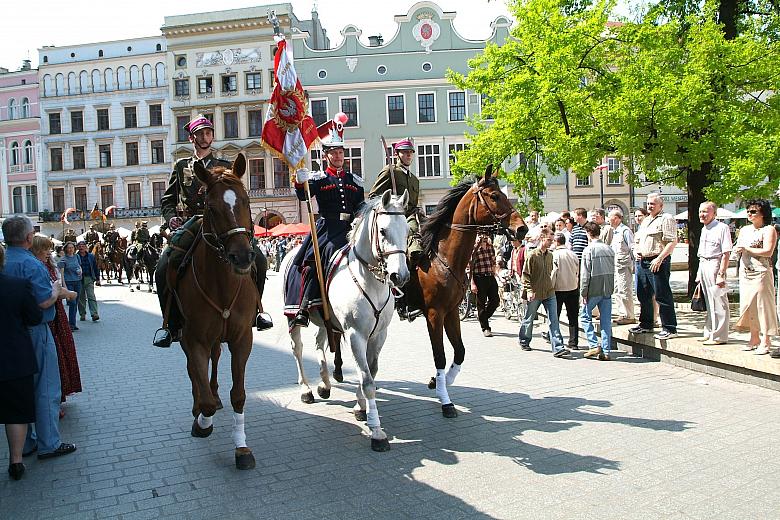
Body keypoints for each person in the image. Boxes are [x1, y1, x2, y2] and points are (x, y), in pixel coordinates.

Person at [153, 115, 272, 348]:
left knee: (258, 258)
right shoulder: (181, 167)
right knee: (164, 264)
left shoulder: (225, 166)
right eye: (200, 134)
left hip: (221, 223)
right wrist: (171, 219)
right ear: (192, 138)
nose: (205, 137)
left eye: (208, 133)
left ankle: (256, 312)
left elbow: (234, 199)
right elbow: (167, 200)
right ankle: (170, 323)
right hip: (192, 223)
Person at [2, 215, 77, 461]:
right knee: (45, 386)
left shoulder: (3, 261)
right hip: (35, 331)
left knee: (20, 389)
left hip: (9, 333)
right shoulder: (32, 264)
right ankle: (49, 443)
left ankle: (26, 443)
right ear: (29, 237)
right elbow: (44, 300)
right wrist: (57, 290)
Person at [284, 121, 365, 327]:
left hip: (351, 229)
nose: (338, 156)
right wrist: (299, 181)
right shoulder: (318, 179)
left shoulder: (354, 180)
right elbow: (303, 196)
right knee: (313, 260)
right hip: (327, 229)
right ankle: (304, 306)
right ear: (325, 156)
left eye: (340, 153)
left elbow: (360, 206)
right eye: (333, 153)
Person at [0, 244, 44, 480]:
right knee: (16, 412)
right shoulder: (16, 287)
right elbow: (34, 317)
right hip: (12, 358)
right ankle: (16, 461)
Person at [367, 138, 422, 320]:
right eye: (405, 152)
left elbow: (413, 205)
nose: (408, 155)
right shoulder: (390, 172)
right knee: (414, 248)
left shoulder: (414, 179)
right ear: (397, 154)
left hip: (410, 216)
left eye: (410, 152)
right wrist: (392, 203)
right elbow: (374, 195)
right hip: (394, 218)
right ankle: (402, 301)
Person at [31, 236, 81, 416]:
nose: (48, 252)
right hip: (50, 316)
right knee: (54, 357)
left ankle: (58, 396)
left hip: (57, 313)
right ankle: (53, 402)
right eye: (45, 249)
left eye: (49, 249)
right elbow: (51, 293)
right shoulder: (37, 266)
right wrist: (69, 294)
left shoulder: (48, 263)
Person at [631, 193, 679, 340]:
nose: (650, 206)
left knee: (661, 295)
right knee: (643, 294)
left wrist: (659, 258)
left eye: (653, 204)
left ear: (661, 205)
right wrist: (636, 251)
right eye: (648, 203)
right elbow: (637, 241)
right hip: (642, 261)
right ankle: (646, 324)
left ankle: (669, 327)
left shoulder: (666, 219)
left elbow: (672, 242)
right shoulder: (646, 221)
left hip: (658, 261)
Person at [733, 199, 778, 355]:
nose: (749, 214)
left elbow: (768, 251)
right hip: (745, 272)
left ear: (763, 214)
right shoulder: (745, 230)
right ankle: (754, 338)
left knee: (763, 307)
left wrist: (747, 248)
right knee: (748, 305)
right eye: (748, 211)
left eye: (753, 211)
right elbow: (739, 247)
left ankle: (766, 340)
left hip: (761, 271)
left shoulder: (769, 230)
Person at [518, 227, 570, 357]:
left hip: (549, 292)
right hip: (535, 293)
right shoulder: (532, 255)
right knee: (529, 318)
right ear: (542, 238)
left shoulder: (550, 255)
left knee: (554, 320)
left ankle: (558, 348)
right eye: (549, 240)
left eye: (552, 240)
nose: (551, 242)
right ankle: (524, 340)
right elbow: (526, 275)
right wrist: (529, 290)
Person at [695, 202, 733, 345]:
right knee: (709, 301)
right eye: (700, 211)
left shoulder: (722, 228)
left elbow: (726, 253)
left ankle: (719, 336)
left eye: (705, 211)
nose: (702, 214)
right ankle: (710, 331)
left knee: (719, 301)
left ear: (714, 213)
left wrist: (721, 273)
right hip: (704, 264)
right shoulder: (704, 229)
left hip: (715, 265)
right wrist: (699, 273)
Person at [580, 222, 616, 360]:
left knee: (584, 315)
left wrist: (584, 292)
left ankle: (594, 344)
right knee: (606, 321)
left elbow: (585, 275)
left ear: (588, 233)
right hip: (607, 287)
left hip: (594, 288)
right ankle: (606, 351)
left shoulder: (588, 250)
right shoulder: (609, 249)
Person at [551, 233, 580, 350]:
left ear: (556, 242)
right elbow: (577, 270)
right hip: (573, 287)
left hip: (558, 289)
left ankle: (555, 338)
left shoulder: (554, 255)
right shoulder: (573, 254)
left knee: (555, 316)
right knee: (573, 316)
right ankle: (574, 342)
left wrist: (550, 287)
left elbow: (553, 273)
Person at [609, 208, 636, 325]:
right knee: (617, 290)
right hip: (616, 265)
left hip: (624, 265)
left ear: (616, 218)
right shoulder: (615, 232)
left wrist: (633, 264)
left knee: (625, 290)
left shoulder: (625, 231)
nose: (608, 220)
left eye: (610, 218)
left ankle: (629, 315)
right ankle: (622, 313)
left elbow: (632, 247)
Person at [470, 234, 500, 337]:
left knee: (495, 301)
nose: (483, 237)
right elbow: (469, 267)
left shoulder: (490, 246)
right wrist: (472, 283)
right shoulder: (474, 248)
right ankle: (486, 328)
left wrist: (495, 270)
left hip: (490, 276)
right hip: (479, 277)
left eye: (485, 235)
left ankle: (483, 317)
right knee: (481, 303)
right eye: (480, 235)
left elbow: (493, 261)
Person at [57, 242, 82, 331]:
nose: (71, 249)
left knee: (76, 303)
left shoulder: (77, 257)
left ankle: (73, 323)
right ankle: (70, 324)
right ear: (66, 249)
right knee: (72, 303)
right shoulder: (63, 260)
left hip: (78, 281)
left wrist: (80, 271)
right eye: (69, 248)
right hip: (69, 282)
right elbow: (62, 274)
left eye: (72, 247)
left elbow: (79, 266)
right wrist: (65, 286)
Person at [76, 241, 100, 322]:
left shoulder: (91, 256)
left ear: (86, 247)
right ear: (78, 247)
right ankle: (82, 314)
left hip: (89, 278)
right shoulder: (75, 256)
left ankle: (94, 314)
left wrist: (97, 278)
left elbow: (95, 267)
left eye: (83, 246)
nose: (81, 247)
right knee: (81, 297)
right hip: (79, 279)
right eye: (80, 246)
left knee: (91, 296)